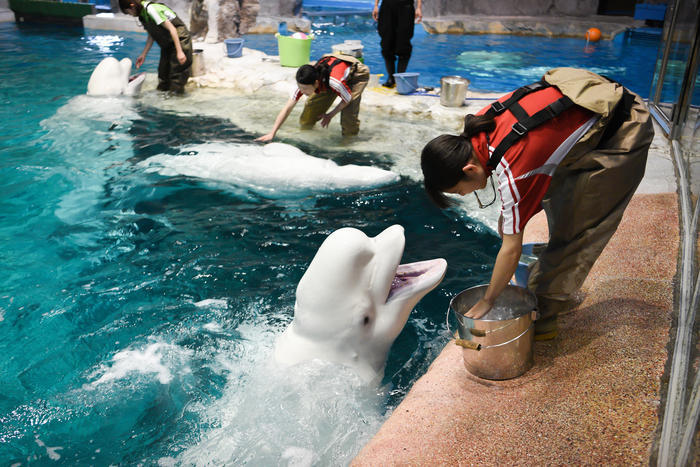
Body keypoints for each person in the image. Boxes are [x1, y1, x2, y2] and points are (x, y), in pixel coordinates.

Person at [421, 68, 654, 340]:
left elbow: (511, 249)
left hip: (623, 125)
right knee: (554, 202)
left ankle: (542, 313)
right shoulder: (480, 124)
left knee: (578, 228)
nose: (464, 195)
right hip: (588, 98)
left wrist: (488, 300)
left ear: (470, 169)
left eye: (460, 191)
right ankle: (554, 273)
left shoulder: (515, 172)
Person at [256, 53, 370, 142]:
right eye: (301, 88)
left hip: (356, 74)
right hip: (329, 76)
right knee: (311, 106)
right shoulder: (304, 82)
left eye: (305, 89)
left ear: (316, 83)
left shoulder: (335, 82)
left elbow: (347, 99)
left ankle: (349, 141)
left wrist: (330, 115)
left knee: (348, 115)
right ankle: (306, 130)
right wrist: (272, 133)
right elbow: (287, 109)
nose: (302, 91)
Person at [119, 0, 193, 94]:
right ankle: (164, 98)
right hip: (167, 44)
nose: (131, 15)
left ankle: (175, 101)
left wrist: (180, 51)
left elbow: (173, 29)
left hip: (180, 40)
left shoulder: (151, 9)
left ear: (132, 6)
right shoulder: (142, 14)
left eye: (128, 12)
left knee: (176, 75)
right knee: (163, 74)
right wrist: (143, 54)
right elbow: (152, 34)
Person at [372, 0, 422, 88]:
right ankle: (391, 77)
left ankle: (400, 78)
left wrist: (418, 7)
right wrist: (376, 5)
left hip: (406, 6)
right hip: (387, 7)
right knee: (386, 43)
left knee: (404, 43)